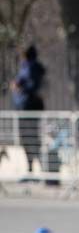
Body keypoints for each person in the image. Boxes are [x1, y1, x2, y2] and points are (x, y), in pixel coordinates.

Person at [9, 45, 46, 181]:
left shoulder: (31, 67)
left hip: (28, 108)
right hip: (24, 107)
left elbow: (32, 85)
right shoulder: (28, 67)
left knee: (31, 138)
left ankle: (38, 169)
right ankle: (31, 169)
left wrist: (19, 86)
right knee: (28, 139)